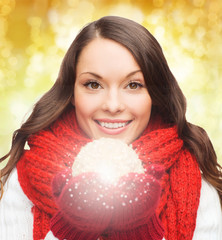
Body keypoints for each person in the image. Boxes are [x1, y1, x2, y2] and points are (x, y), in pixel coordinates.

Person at [0, 15, 222, 240]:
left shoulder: (198, 186)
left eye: (133, 85)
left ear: (154, 95)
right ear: (72, 93)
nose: (113, 105)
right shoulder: (22, 182)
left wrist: (137, 229)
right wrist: (74, 227)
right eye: (93, 84)